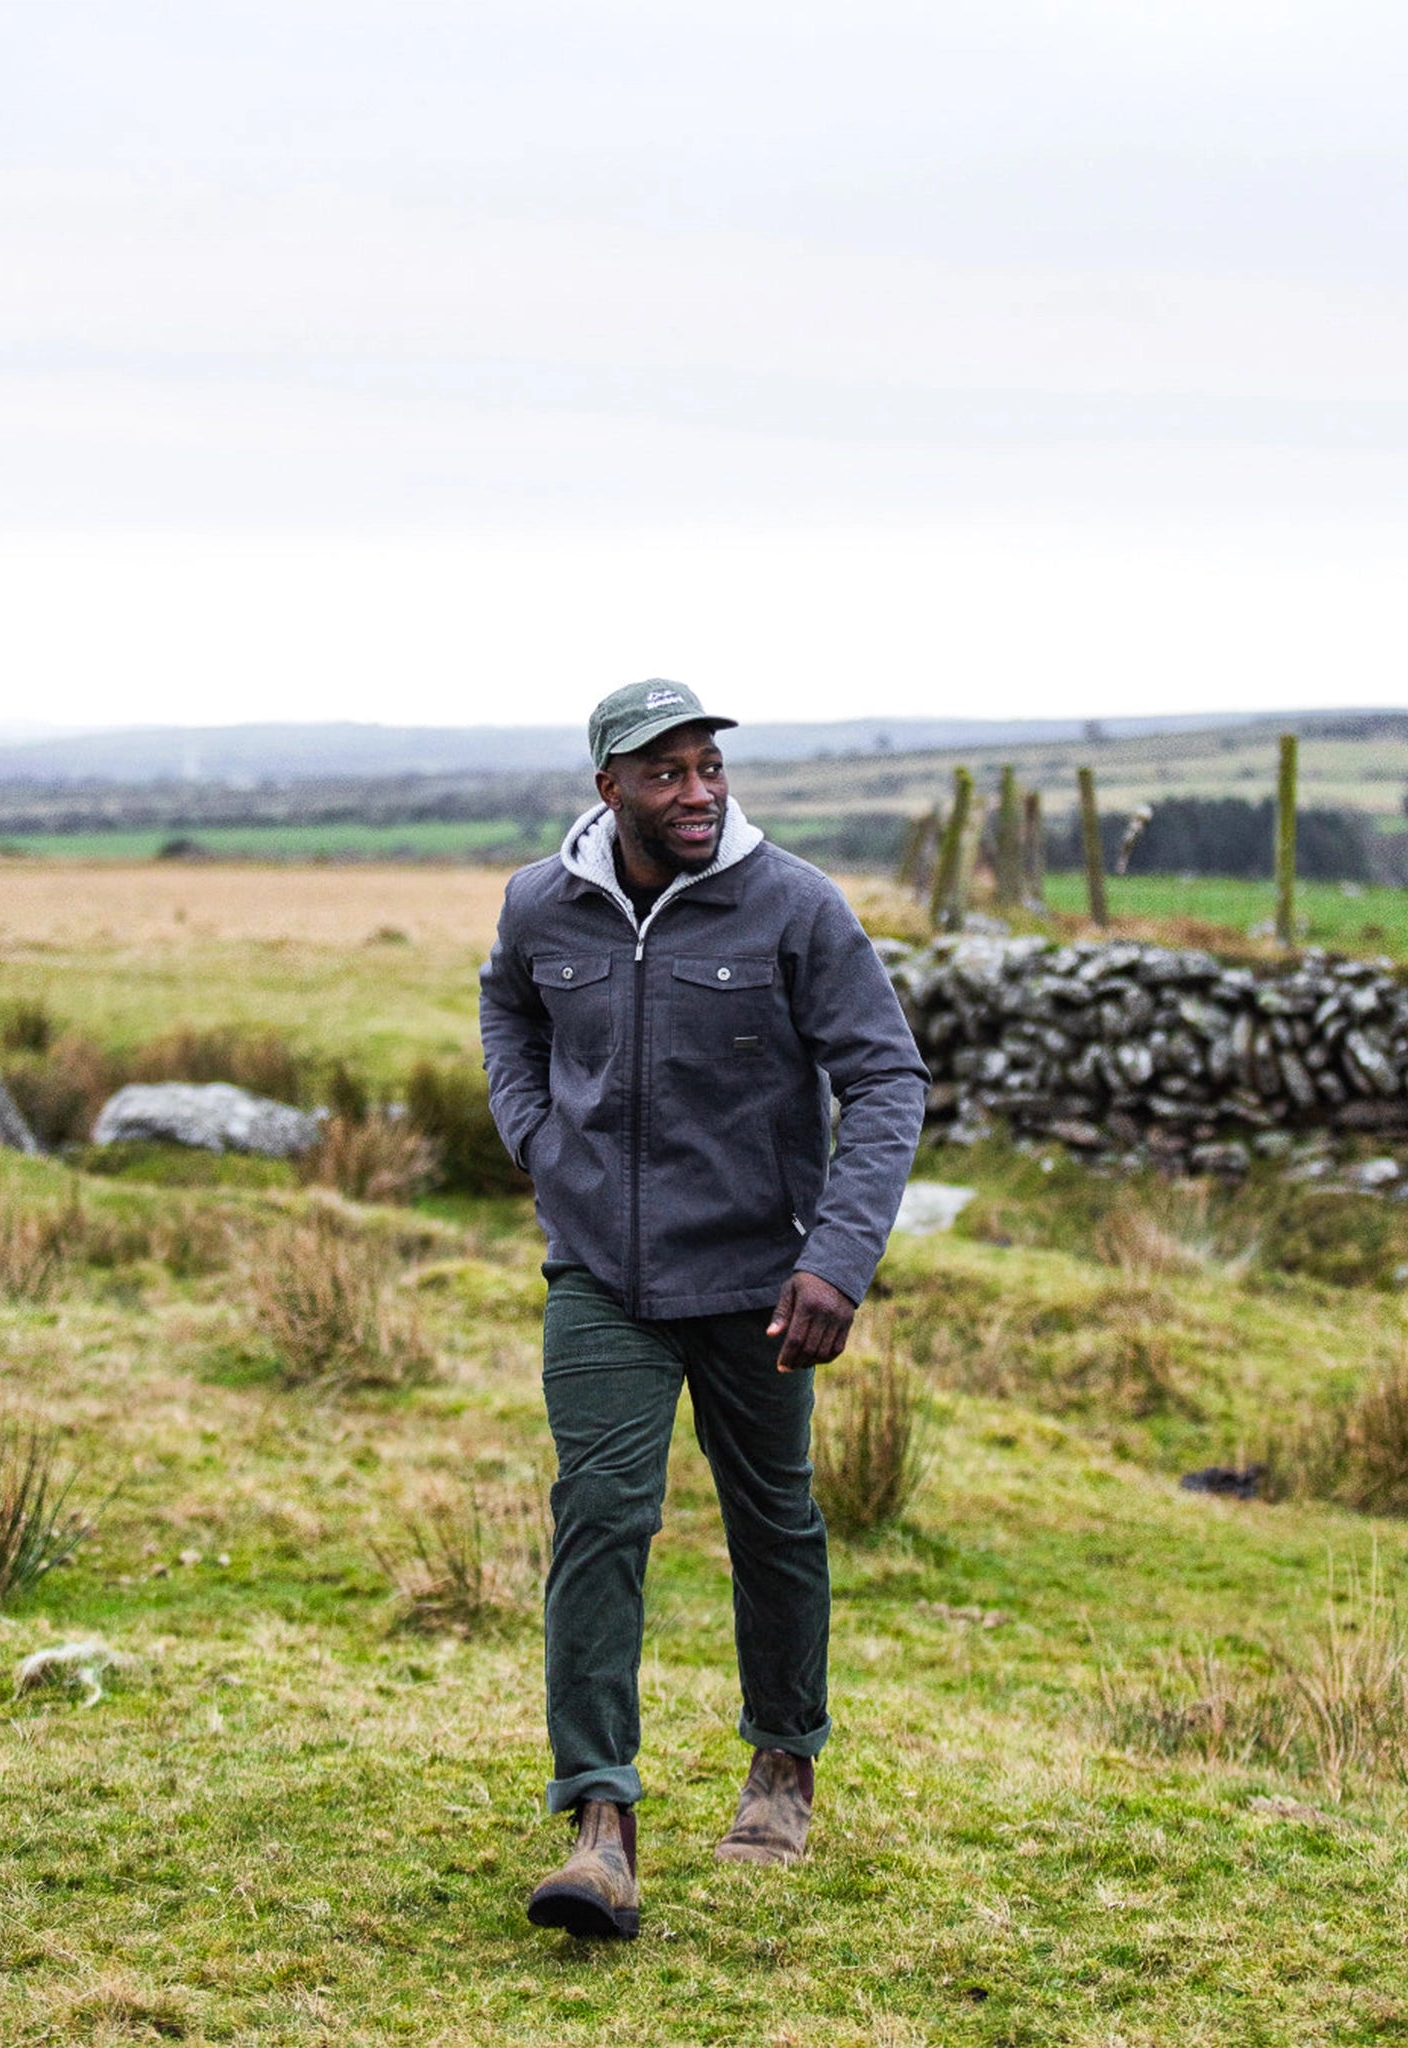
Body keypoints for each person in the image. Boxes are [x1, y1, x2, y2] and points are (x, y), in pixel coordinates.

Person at [479, 678, 928, 1940]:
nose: (698, 791)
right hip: (601, 1274)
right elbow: (508, 1007)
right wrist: (536, 1136)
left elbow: (887, 1075)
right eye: (666, 771)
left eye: (709, 766)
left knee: (772, 1517)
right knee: (600, 1514)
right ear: (609, 786)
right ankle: (600, 1821)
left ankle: (783, 1762)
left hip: (759, 1279)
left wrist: (838, 1257)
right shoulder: (540, 901)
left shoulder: (793, 904)